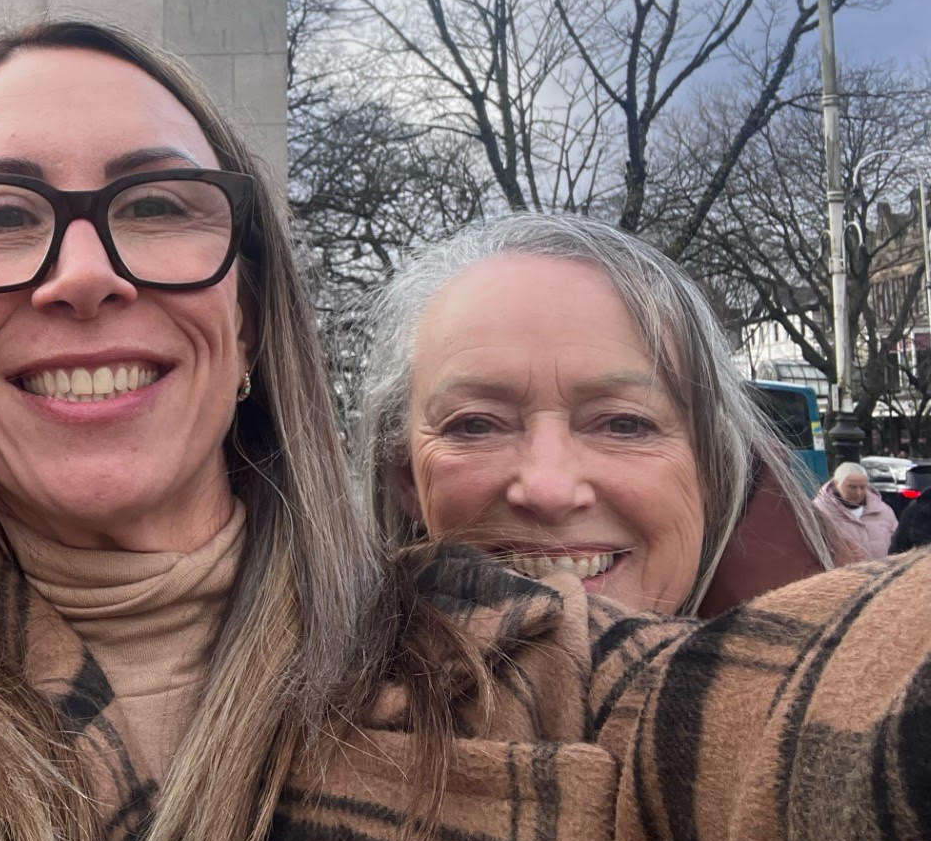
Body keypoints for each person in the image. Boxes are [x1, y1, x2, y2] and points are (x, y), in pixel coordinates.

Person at [0, 19, 931, 841]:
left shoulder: (548, 663)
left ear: (244, 326)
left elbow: (821, 737)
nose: (85, 271)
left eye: (159, 207)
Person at [357, 213, 835, 617]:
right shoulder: (299, 722)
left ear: (712, 470)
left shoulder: (886, 704)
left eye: (624, 424)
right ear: (407, 479)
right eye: (475, 425)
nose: (549, 491)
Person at [814, 460, 898, 561]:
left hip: (886, 573)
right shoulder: (821, 511)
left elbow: (899, 543)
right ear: (836, 483)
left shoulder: (883, 510)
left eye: (863, 487)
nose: (858, 493)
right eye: (852, 487)